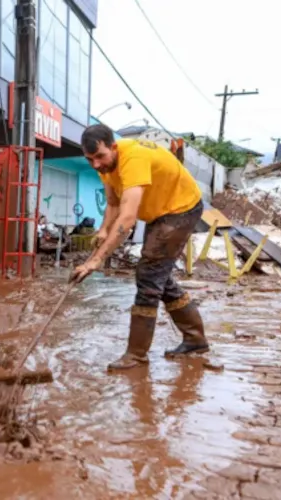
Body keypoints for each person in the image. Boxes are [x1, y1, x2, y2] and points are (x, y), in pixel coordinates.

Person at [70, 124, 208, 370]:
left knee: (148, 276)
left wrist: (96, 260)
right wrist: (103, 230)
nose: (95, 165)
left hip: (181, 209)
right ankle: (195, 339)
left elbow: (127, 219)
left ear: (113, 146)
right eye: (89, 159)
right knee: (158, 277)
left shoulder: (133, 159)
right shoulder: (105, 165)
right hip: (159, 213)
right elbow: (113, 204)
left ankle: (136, 355)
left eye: (99, 157)